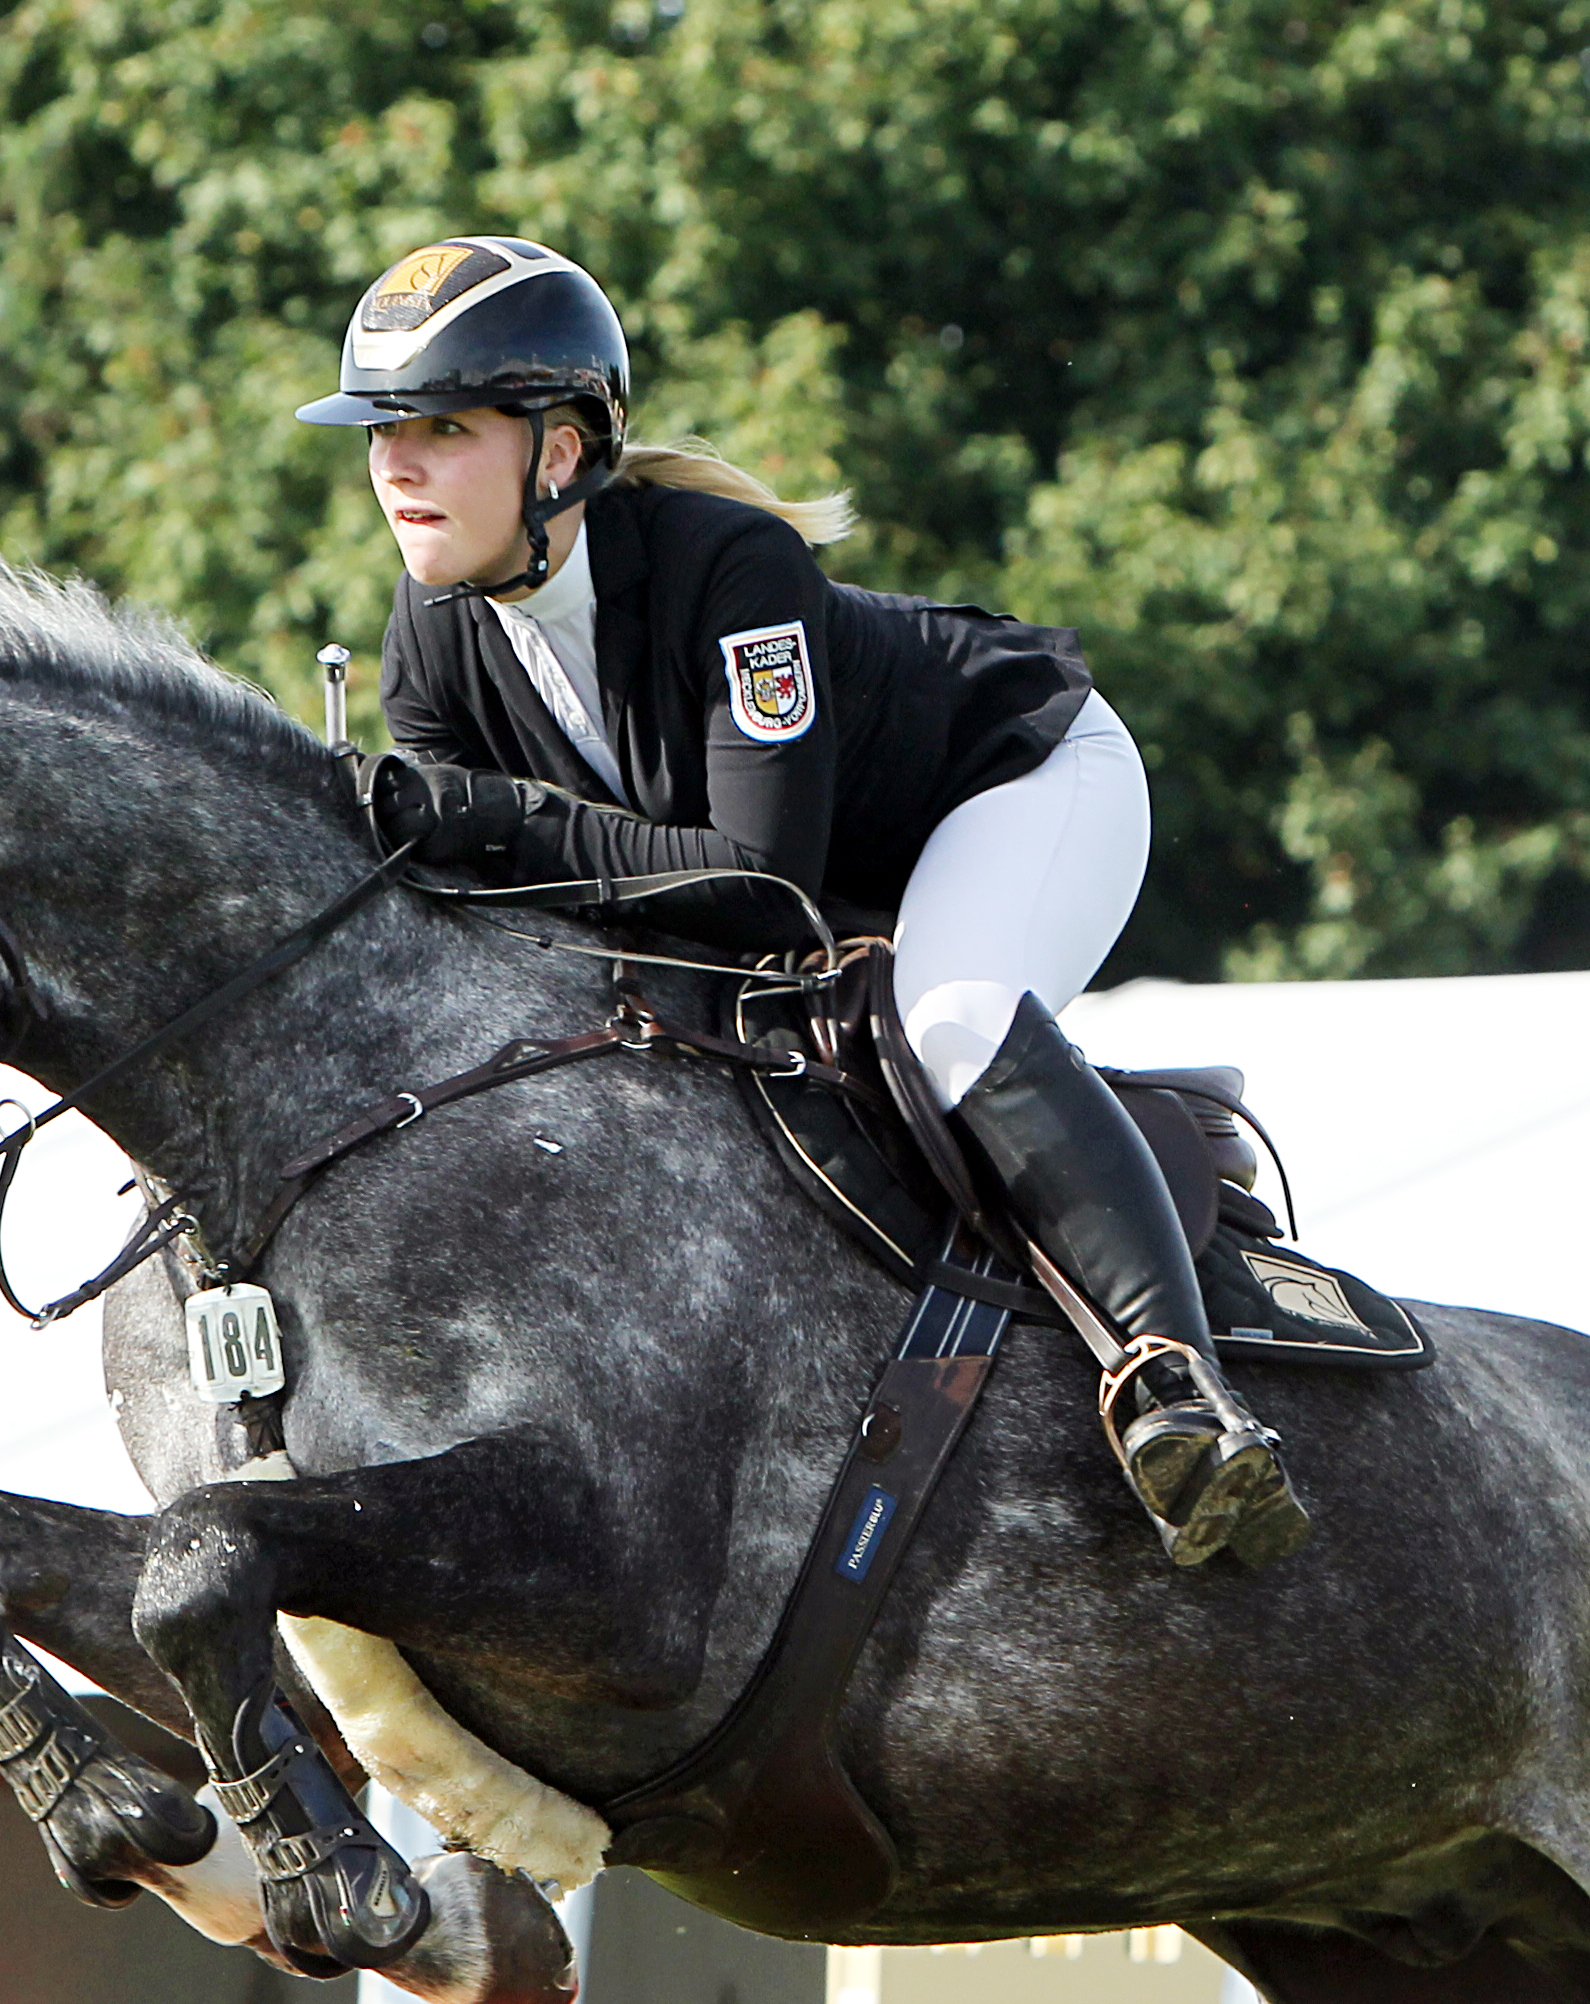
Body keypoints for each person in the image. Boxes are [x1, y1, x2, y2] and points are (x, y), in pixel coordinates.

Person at [303, 237, 1315, 1574]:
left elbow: (760, 886)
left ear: (558, 453)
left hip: (1023, 781)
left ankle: (1178, 1384)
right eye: (382, 434)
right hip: (827, 874)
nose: (397, 469)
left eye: (440, 428)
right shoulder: (433, 629)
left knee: (947, 1020)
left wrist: (493, 817)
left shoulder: (731, 566)